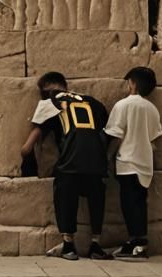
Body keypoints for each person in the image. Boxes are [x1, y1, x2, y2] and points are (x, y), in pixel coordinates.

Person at [20, 71, 111, 261]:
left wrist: (27, 156)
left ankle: (68, 245)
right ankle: (96, 245)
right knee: (97, 197)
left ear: (45, 91)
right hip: (97, 161)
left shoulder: (50, 102)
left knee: (64, 191)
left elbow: (30, 142)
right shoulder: (92, 102)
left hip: (71, 160)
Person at [105, 66, 162, 261]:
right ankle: (137, 241)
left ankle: (138, 244)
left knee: (129, 204)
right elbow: (154, 138)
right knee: (139, 203)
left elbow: (115, 134)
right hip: (145, 163)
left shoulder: (123, 105)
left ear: (133, 84)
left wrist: (108, 157)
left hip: (127, 162)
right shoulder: (152, 109)